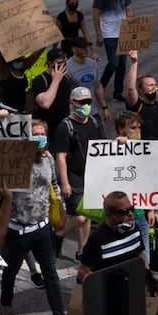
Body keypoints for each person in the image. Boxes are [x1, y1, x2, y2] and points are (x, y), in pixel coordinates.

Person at [0, 119, 68, 315]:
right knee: (11, 270)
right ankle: (6, 304)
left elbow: (54, 184)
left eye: (42, 133)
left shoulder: (48, 159)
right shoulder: (16, 161)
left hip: (42, 228)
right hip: (17, 229)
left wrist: (62, 210)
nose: (39, 138)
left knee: (51, 275)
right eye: (34, 134)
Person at [53, 86, 106, 259]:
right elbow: (60, 156)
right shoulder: (64, 127)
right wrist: (65, 182)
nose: (86, 105)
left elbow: (104, 147)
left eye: (88, 102)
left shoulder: (94, 122)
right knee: (81, 217)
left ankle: (81, 250)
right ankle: (55, 234)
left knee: (87, 217)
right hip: (73, 178)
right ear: (72, 103)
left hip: (91, 177)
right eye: (82, 102)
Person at [90, 0, 133, 101]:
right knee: (113, 63)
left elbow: (129, 9)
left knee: (121, 65)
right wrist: (99, 34)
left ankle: (117, 92)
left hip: (123, 33)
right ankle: (100, 86)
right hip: (109, 34)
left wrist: (132, 28)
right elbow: (96, 13)